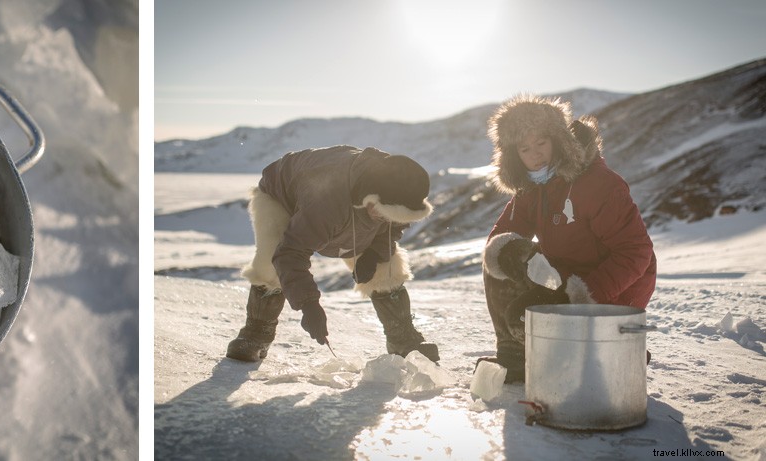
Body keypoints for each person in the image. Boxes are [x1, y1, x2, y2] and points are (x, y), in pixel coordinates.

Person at [479, 94, 657, 382]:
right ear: (514, 155)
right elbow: (503, 235)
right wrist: (512, 255)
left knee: (578, 371)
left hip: (616, 283)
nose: (535, 155)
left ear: (558, 140)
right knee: (501, 256)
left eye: (541, 143)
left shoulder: (599, 183)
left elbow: (635, 253)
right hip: (566, 275)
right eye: (525, 149)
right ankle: (514, 356)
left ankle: (619, 348)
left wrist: (580, 296)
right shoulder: (531, 187)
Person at [226, 145, 440, 363]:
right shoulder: (326, 199)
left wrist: (374, 255)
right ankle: (255, 335)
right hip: (281, 197)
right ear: (371, 198)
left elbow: (393, 226)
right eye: (385, 214)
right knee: (271, 265)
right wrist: (309, 304)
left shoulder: (398, 187)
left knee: (387, 269)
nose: (388, 220)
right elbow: (291, 253)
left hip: (340, 207)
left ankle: (402, 339)